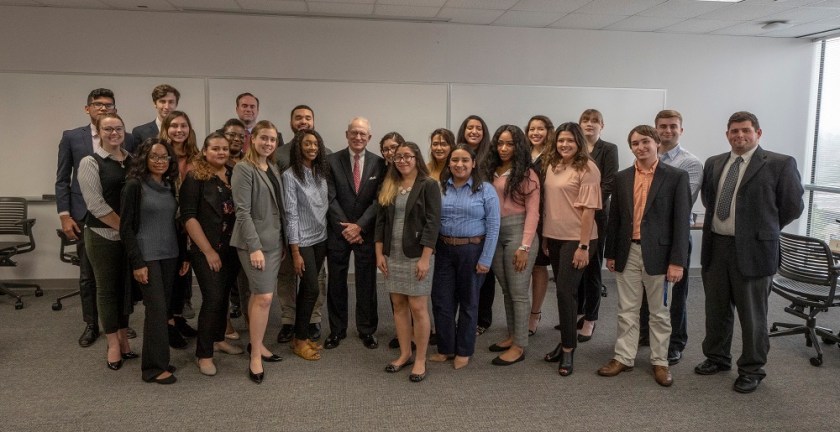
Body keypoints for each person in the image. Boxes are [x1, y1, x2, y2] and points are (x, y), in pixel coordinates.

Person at [695, 111, 804, 394]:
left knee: (753, 315)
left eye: (745, 130)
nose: (739, 136)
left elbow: (792, 206)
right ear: (727, 134)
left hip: (755, 250)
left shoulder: (779, 164)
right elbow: (709, 198)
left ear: (758, 133)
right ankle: (717, 358)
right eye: (734, 131)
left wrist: (764, 229)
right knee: (716, 309)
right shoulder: (715, 162)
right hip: (717, 247)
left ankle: (752, 369)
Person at [597, 125, 691, 387]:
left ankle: (660, 361)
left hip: (660, 257)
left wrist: (677, 261)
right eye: (635, 143)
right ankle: (623, 357)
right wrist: (612, 253)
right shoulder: (622, 177)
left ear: (657, 143)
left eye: (645, 142)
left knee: (660, 312)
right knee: (626, 309)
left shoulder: (675, 177)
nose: (640, 147)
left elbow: (681, 223)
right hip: (628, 252)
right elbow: (614, 219)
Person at [55, 88, 136, 348]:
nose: (103, 108)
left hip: (123, 223)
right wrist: (65, 215)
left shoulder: (129, 144)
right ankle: (92, 324)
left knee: (121, 280)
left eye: (109, 105)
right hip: (86, 217)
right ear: (87, 108)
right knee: (91, 277)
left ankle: (119, 327)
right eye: (98, 104)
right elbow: (62, 178)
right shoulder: (73, 138)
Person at [638, 110, 703, 365]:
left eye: (673, 126)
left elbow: (679, 204)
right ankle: (648, 335)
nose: (667, 130)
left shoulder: (690, 163)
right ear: (655, 130)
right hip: (647, 236)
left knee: (675, 294)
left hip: (674, 237)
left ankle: (675, 343)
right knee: (647, 288)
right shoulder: (646, 156)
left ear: (681, 130)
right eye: (662, 126)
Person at [121, 138, 187, 384]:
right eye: (154, 157)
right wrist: (137, 263)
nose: (160, 161)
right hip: (147, 257)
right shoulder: (134, 186)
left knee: (162, 310)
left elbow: (175, 225)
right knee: (157, 310)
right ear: (144, 159)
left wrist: (183, 256)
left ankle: (158, 359)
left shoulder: (170, 186)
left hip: (169, 255)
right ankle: (152, 369)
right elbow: (126, 228)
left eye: (164, 157)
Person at [180, 132, 246, 377]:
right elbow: (188, 216)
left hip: (231, 248)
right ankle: (203, 354)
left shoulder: (232, 174)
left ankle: (219, 339)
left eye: (225, 149)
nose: (221, 153)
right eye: (215, 148)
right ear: (205, 151)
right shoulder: (195, 177)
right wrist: (207, 251)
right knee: (213, 298)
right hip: (206, 249)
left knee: (224, 295)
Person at [375, 142, 441, 382]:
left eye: (407, 156)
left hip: (417, 255)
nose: (402, 160)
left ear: (417, 158)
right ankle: (405, 354)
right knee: (399, 305)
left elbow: (434, 223)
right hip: (393, 255)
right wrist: (379, 253)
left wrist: (425, 258)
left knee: (418, 307)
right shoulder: (390, 184)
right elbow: (380, 222)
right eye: (398, 157)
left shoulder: (429, 185)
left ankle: (421, 359)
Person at [430, 144, 500, 370]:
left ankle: (464, 350)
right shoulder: (440, 188)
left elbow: (494, 225)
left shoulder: (485, 190)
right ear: (448, 164)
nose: (459, 165)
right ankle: (446, 348)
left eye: (464, 161)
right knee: (441, 301)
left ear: (473, 163)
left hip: (472, 251)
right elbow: (431, 219)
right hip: (444, 249)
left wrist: (486, 259)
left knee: (469, 302)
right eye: (455, 160)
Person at [541, 122, 602, 377]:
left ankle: (568, 349)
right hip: (554, 237)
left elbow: (589, 210)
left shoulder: (587, 167)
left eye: (569, 141)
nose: (564, 145)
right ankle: (567, 340)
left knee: (566, 292)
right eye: (560, 140)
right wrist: (545, 237)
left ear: (579, 143)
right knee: (562, 293)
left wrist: (583, 246)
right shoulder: (553, 165)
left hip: (577, 238)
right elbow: (550, 204)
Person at [77, 113, 135, 371]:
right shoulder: (91, 162)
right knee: (107, 289)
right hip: (102, 235)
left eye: (119, 128)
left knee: (125, 289)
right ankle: (112, 342)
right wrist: (125, 231)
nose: (114, 133)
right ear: (99, 132)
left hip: (128, 237)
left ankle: (124, 336)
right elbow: (96, 205)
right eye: (108, 129)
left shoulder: (132, 161)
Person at [231, 120, 287, 384]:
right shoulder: (244, 168)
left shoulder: (272, 167)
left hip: (275, 243)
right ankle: (255, 356)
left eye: (273, 140)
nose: (268, 143)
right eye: (264, 138)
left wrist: (283, 242)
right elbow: (242, 212)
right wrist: (254, 247)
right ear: (252, 139)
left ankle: (258, 344)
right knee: (264, 297)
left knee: (259, 296)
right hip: (255, 244)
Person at [325, 117, 386, 350]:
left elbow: (378, 200)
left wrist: (359, 226)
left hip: (366, 233)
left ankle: (367, 330)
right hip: (338, 233)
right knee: (337, 282)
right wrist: (347, 229)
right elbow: (329, 197)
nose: (358, 137)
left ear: (369, 137)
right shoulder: (330, 161)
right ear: (347, 134)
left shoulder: (379, 164)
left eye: (363, 134)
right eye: (354, 133)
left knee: (366, 283)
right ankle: (337, 330)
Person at [484, 125, 540, 366]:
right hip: (494, 233)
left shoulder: (528, 174)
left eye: (510, 144)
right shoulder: (490, 170)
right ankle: (513, 335)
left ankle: (520, 346)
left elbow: (534, 213)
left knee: (518, 292)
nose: (504, 148)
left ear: (519, 146)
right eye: (500, 143)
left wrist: (524, 247)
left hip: (519, 232)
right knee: (507, 290)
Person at [276, 105, 329, 344]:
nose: (311, 148)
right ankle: (295, 329)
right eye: (298, 117)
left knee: (313, 284)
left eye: (308, 117)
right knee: (296, 281)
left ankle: (307, 324)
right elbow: (290, 211)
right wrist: (294, 248)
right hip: (297, 237)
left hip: (321, 236)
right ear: (291, 122)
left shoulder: (322, 165)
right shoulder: (282, 160)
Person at [575, 109, 618, 343]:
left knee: (592, 267)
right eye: (585, 120)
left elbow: (610, 182)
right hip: (573, 215)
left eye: (594, 121)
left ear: (602, 125)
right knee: (576, 266)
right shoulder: (574, 148)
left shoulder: (609, 149)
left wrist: (588, 204)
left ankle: (591, 318)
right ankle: (579, 313)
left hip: (598, 214)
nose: (589, 124)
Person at [159, 111, 199, 345]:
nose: (179, 130)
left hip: (189, 221)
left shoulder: (195, 155)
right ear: (166, 129)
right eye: (174, 126)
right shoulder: (159, 153)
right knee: (169, 275)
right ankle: (168, 324)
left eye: (183, 125)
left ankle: (178, 317)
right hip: (166, 222)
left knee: (184, 273)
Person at [456, 115, 496, 336]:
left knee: (485, 275)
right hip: (463, 222)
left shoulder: (491, 156)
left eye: (478, 128)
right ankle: (464, 317)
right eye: (469, 127)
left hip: (485, 218)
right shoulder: (457, 153)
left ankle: (483, 319)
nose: (473, 131)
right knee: (462, 280)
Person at [524, 115, 555, 336]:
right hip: (521, 214)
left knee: (538, 266)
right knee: (521, 265)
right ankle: (520, 310)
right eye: (532, 129)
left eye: (540, 129)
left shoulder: (554, 155)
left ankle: (535, 313)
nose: (535, 132)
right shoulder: (523, 153)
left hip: (544, 215)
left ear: (548, 131)